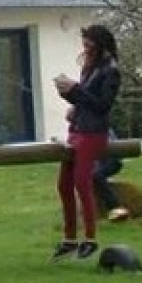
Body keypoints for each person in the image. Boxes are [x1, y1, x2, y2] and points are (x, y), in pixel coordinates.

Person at [51, 25, 122, 262]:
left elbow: (103, 105)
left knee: (82, 183)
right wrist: (71, 99)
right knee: (64, 185)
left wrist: (76, 91)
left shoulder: (111, 71)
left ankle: (90, 238)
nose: (85, 49)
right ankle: (70, 238)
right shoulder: (89, 67)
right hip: (78, 129)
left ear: (99, 45)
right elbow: (86, 100)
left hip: (93, 133)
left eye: (89, 44)